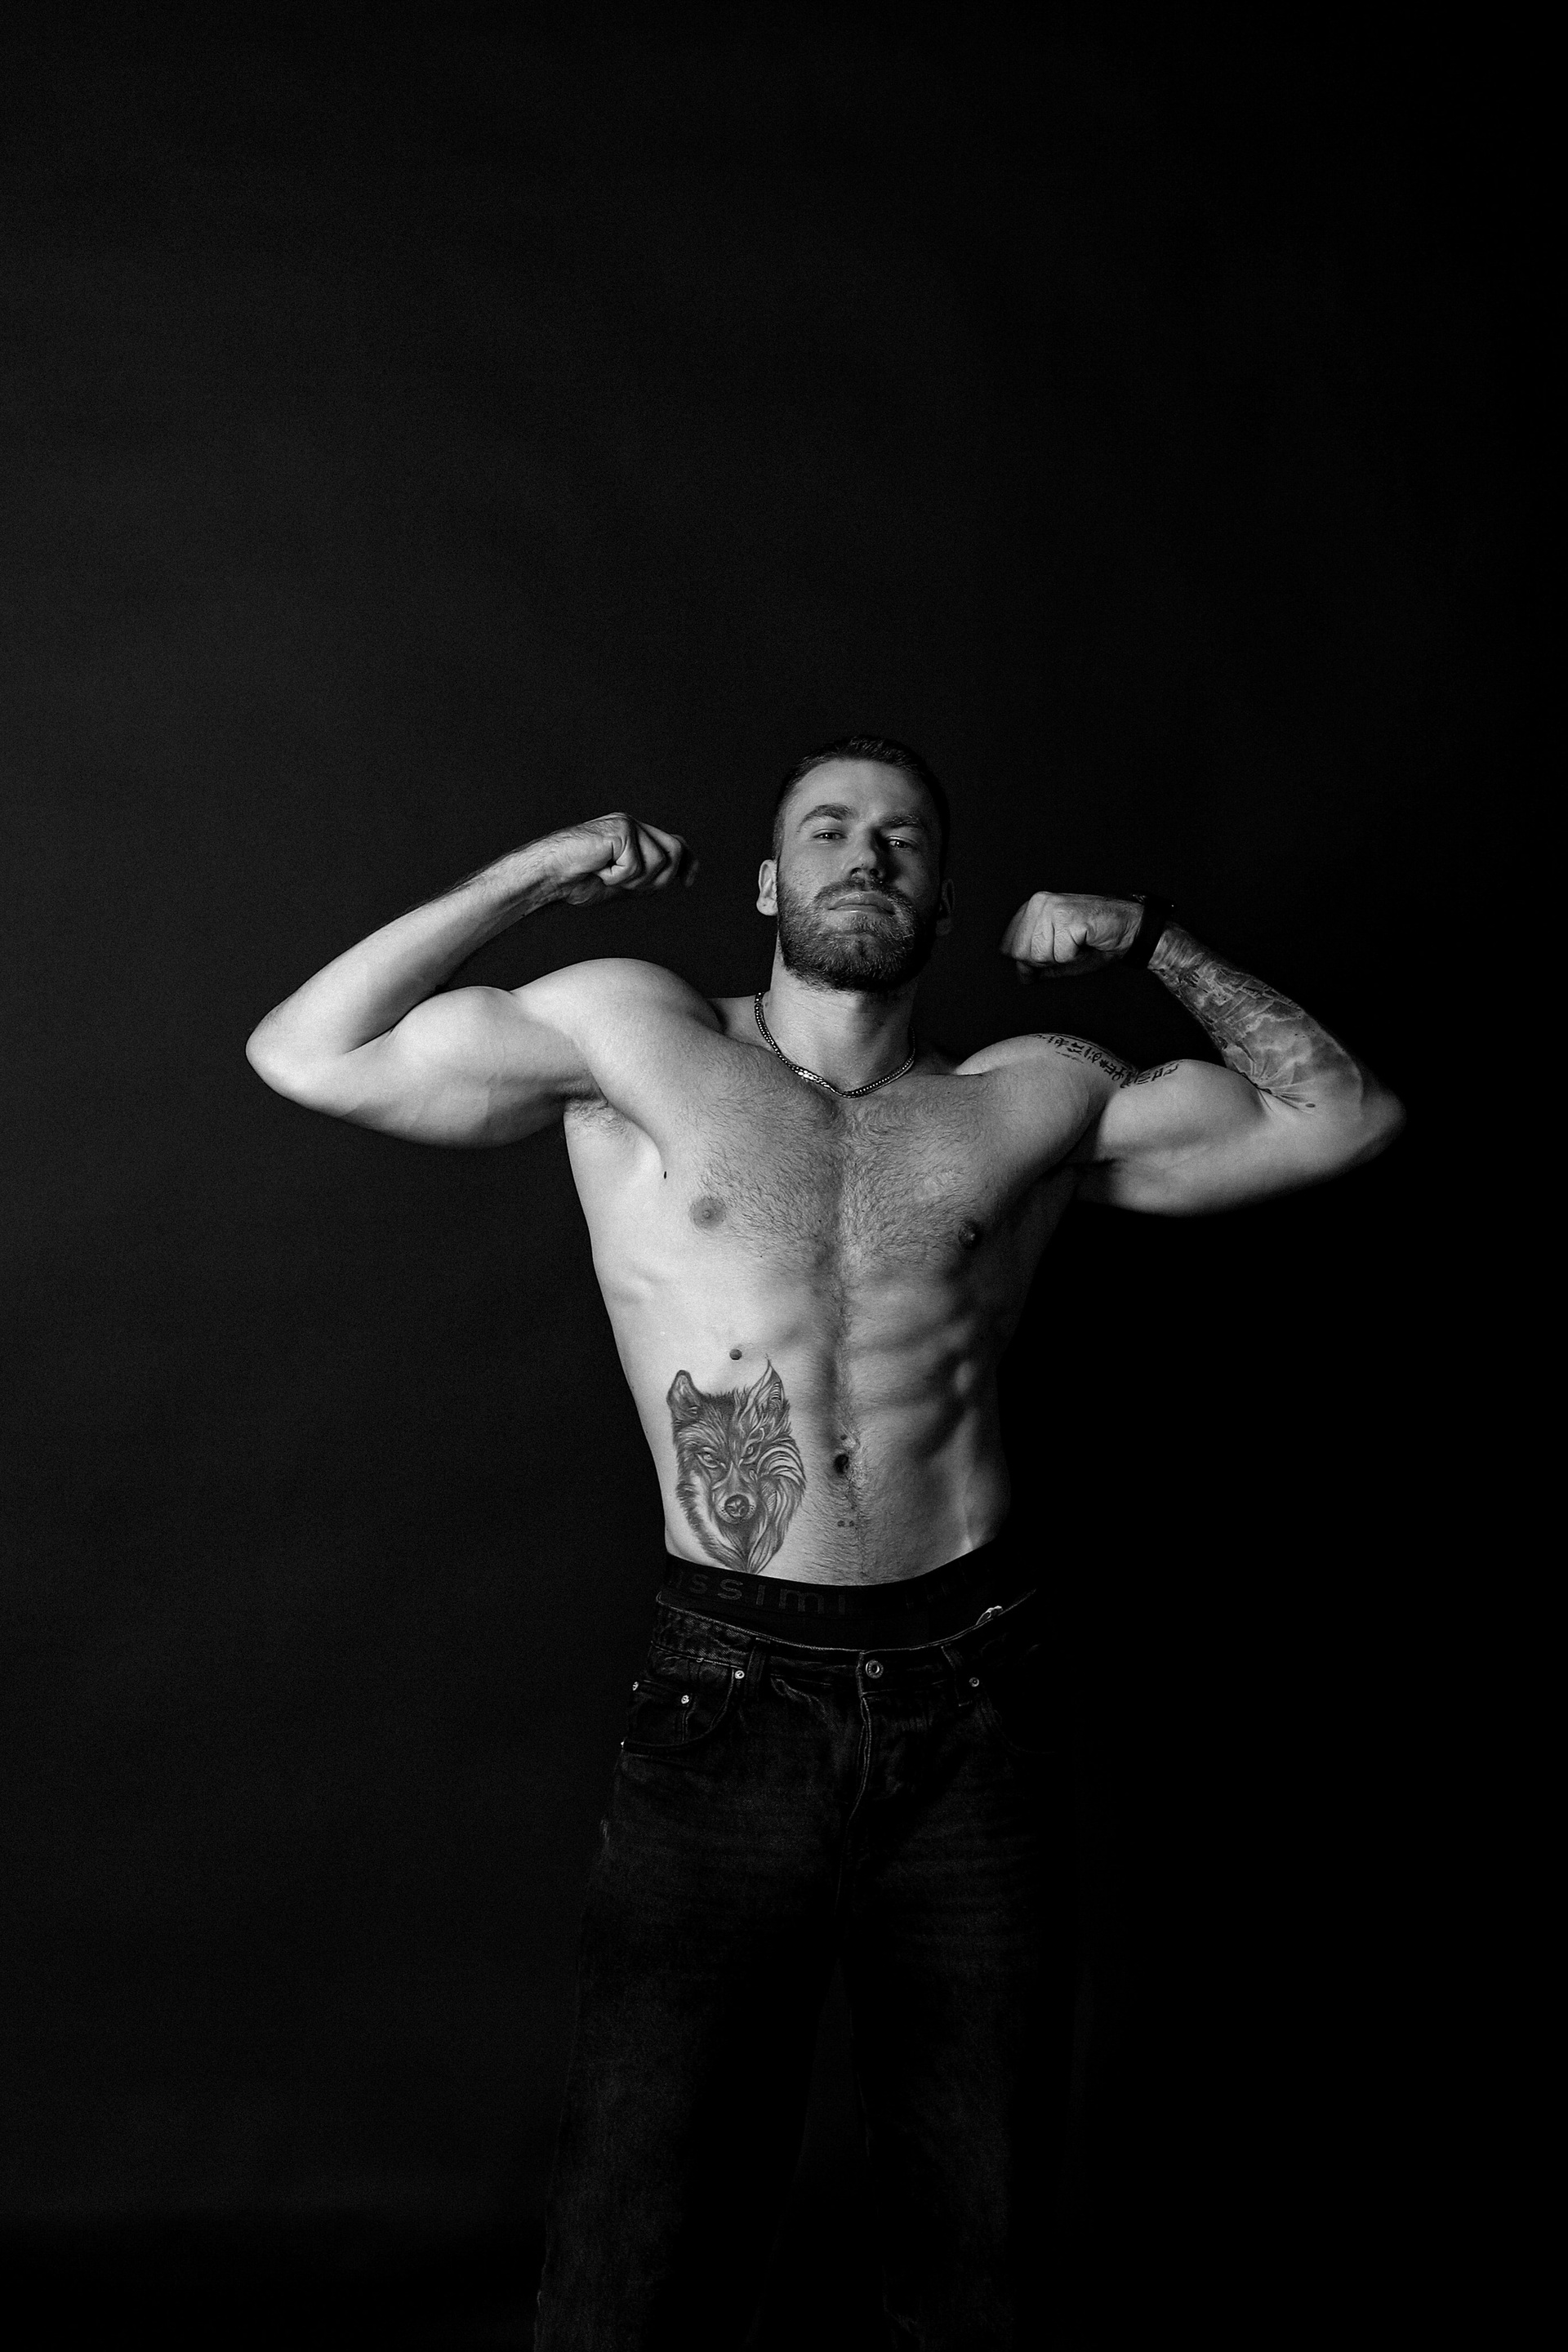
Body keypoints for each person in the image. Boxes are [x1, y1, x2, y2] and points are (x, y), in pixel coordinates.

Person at [246, 735, 1404, 2348]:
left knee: (979, 2233)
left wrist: (1151, 940)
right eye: (831, 832)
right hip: (728, 1697)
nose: (868, 857)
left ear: (943, 899)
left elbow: (1341, 1118)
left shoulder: (1030, 1094)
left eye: (904, 839)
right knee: (641, 2237)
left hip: (977, 1700)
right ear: (771, 883)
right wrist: (532, 876)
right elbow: (308, 1049)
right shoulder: (634, 1041)